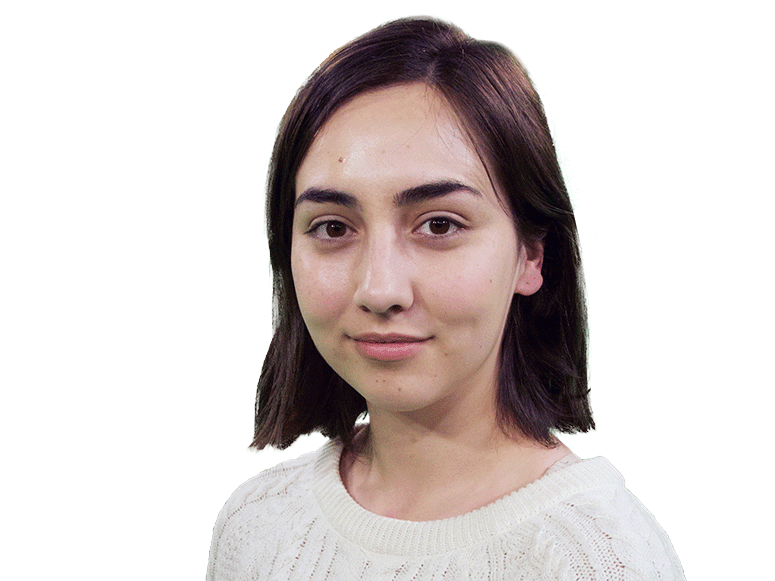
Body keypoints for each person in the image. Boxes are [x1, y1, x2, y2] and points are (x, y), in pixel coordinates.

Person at [207, 17, 685, 580]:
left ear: (532, 255)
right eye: (333, 228)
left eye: (439, 225)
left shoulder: (597, 560)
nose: (380, 289)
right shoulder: (256, 526)